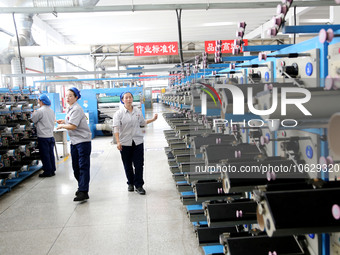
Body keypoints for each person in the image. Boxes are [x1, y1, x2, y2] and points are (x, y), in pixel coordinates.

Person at [113, 91, 158, 195]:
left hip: (137, 142)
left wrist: (153, 119)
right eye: (126, 98)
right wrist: (118, 142)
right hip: (125, 143)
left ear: (132, 99)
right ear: (122, 100)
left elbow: (142, 123)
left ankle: (139, 185)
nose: (128, 99)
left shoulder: (137, 111)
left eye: (130, 97)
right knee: (127, 164)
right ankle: (130, 183)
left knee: (139, 164)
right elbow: (116, 129)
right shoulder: (118, 114)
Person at [56, 87, 92, 202]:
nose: (68, 98)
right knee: (76, 167)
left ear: (76, 97)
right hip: (75, 141)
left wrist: (62, 126)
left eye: (70, 95)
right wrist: (64, 122)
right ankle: (82, 187)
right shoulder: (70, 108)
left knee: (83, 167)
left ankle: (83, 191)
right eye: (66, 96)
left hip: (83, 141)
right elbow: (71, 122)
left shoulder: (77, 109)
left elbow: (73, 126)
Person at [31, 94, 56, 177]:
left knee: (45, 155)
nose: (38, 102)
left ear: (41, 101)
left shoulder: (40, 111)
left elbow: (33, 120)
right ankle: (52, 170)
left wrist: (33, 113)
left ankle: (47, 171)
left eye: (38, 101)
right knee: (50, 154)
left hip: (43, 137)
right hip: (50, 136)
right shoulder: (51, 110)